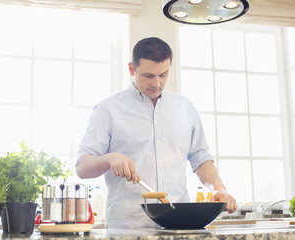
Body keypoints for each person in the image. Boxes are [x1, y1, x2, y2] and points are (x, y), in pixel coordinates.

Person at [76, 37, 237, 228]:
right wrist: (109, 158)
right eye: (148, 76)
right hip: (128, 227)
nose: (157, 83)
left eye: (163, 75)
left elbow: (200, 157)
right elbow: (82, 168)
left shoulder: (185, 107)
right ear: (131, 69)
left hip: (179, 224)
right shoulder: (107, 109)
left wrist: (220, 189)